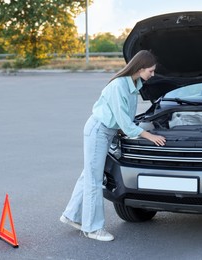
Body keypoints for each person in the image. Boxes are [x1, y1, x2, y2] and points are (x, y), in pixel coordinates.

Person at [60, 50, 166, 242]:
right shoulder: (119, 86)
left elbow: (126, 118)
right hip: (99, 131)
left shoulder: (134, 84)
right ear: (140, 68)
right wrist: (148, 135)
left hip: (107, 131)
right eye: (150, 71)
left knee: (89, 174)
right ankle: (92, 228)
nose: (152, 74)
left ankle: (71, 215)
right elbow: (125, 122)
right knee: (94, 179)